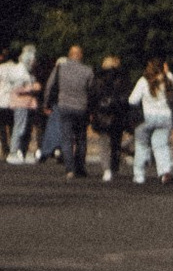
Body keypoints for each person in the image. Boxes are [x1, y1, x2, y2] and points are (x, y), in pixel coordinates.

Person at [41, 40, 92, 175]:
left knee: (67, 138)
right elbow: (92, 91)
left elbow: (50, 85)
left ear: (69, 55)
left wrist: (46, 103)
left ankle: (70, 168)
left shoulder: (60, 68)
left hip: (64, 106)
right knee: (81, 138)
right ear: (80, 55)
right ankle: (80, 166)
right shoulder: (88, 70)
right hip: (81, 107)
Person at [129, 55, 173, 187]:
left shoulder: (144, 81)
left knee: (141, 146)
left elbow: (132, 100)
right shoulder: (168, 80)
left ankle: (139, 175)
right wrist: (168, 73)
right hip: (165, 117)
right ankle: (165, 171)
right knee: (161, 145)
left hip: (146, 117)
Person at [90, 54, 129, 185]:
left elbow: (93, 94)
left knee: (104, 143)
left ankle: (106, 169)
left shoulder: (98, 77)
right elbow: (125, 96)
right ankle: (114, 167)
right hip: (117, 113)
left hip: (102, 113)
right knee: (116, 143)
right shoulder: (122, 78)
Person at [2, 43, 37, 162]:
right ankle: (13, 152)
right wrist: (32, 87)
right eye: (33, 59)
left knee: (25, 128)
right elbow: (16, 88)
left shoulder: (25, 71)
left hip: (26, 104)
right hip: (20, 103)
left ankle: (21, 151)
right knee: (20, 128)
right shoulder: (20, 71)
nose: (34, 62)